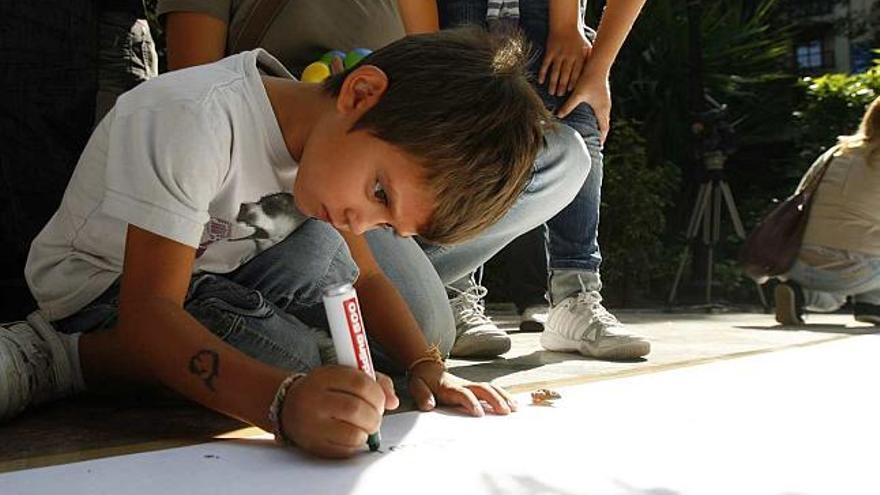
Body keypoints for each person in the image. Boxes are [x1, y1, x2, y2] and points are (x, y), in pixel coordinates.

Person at [0, 29, 590, 459]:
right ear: (360, 94)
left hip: (228, 270)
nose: (366, 221)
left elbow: (370, 278)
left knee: (400, 347)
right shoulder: (197, 120)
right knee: (314, 376)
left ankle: (276, 337)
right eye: (380, 191)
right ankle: (57, 357)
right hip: (111, 291)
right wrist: (282, 404)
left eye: (390, 227)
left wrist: (427, 367)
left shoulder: (329, 161)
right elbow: (151, 310)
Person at [400, 0, 650, 360]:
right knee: (459, 139)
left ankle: (574, 297)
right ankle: (451, 292)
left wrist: (595, 63)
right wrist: (429, 51)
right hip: (458, 15)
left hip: (549, 23)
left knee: (577, 119)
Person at [773, 96, 880, 326]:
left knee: (834, 297)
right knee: (854, 263)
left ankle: (801, 295)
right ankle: (872, 303)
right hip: (855, 271)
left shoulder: (836, 153)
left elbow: (799, 198)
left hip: (794, 262)